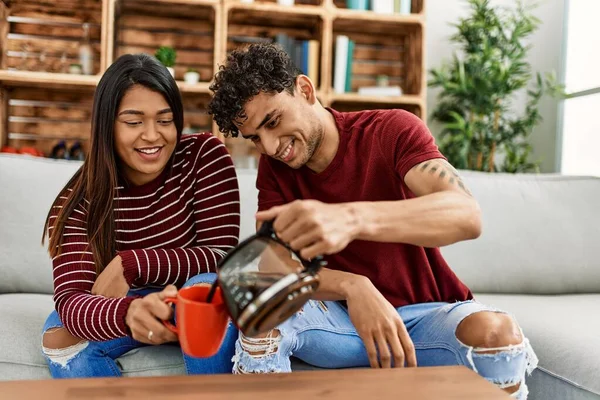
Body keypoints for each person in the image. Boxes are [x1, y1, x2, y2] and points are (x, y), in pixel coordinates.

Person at [207, 43, 538, 399]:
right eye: (256, 137)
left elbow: (466, 215)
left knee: (496, 335)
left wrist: (353, 218)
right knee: (261, 306)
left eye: (273, 121)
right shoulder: (275, 168)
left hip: (426, 320)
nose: (270, 147)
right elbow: (275, 267)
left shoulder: (391, 130)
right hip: (339, 325)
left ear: (305, 90)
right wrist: (353, 286)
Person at [41, 53, 240, 378]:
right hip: (128, 306)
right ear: (107, 125)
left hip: (192, 299)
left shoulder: (205, 157)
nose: (152, 135)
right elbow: (71, 301)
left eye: (165, 120)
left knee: (206, 287)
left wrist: (131, 264)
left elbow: (223, 258)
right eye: (134, 122)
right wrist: (132, 310)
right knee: (58, 334)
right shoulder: (77, 201)